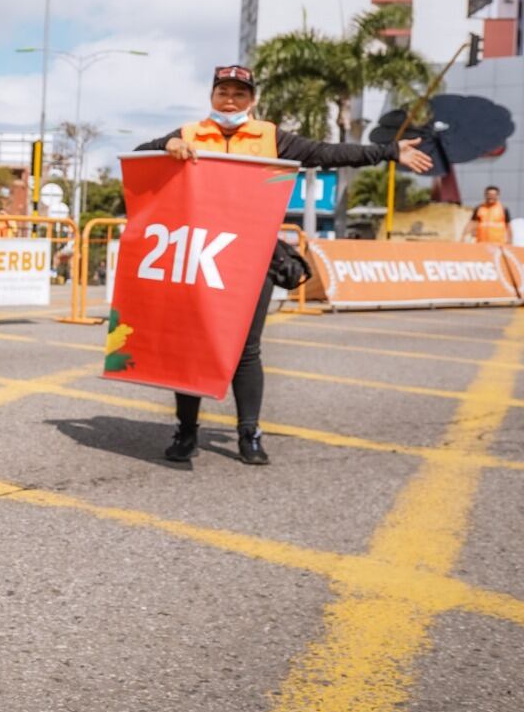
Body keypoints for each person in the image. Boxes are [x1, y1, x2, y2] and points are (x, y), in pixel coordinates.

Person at [136, 64, 431, 465]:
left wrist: (388, 151)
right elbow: (136, 162)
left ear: (252, 100)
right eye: (223, 91)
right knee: (195, 342)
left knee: (246, 348)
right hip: (200, 255)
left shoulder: (270, 137)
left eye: (240, 93)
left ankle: (249, 434)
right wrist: (164, 150)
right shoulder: (187, 134)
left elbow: (326, 153)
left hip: (251, 255)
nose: (230, 99)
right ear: (211, 96)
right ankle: (186, 432)